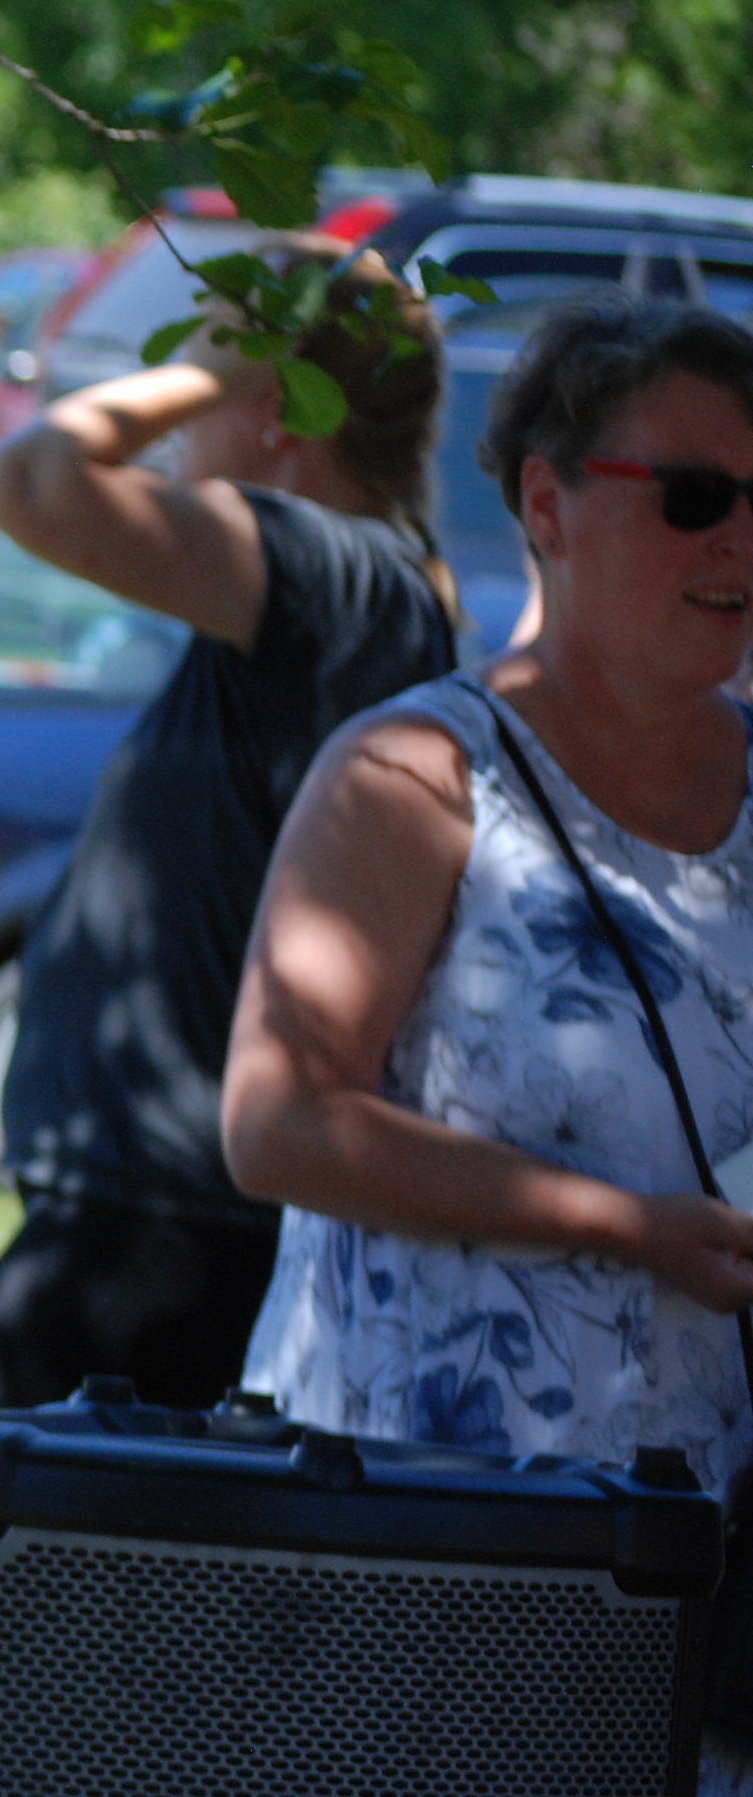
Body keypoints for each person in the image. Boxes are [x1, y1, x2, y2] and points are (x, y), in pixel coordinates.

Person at [0, 241, 459, 1796]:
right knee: (33, 1668)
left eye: (205, 367)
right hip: (155, 1225)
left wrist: (212, 368)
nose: (178, 402)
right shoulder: (352, 599)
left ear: (277, 404)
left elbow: (30, 481)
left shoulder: (334, 571)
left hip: (156, 1227)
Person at [225, 295, 753, 1783]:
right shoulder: (414, 774)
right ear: (546, 503)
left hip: (707, 1591)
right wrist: (623, 1226)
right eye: (693, 495)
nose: (738, 540)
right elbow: (276, 1122)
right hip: (431, 1556)